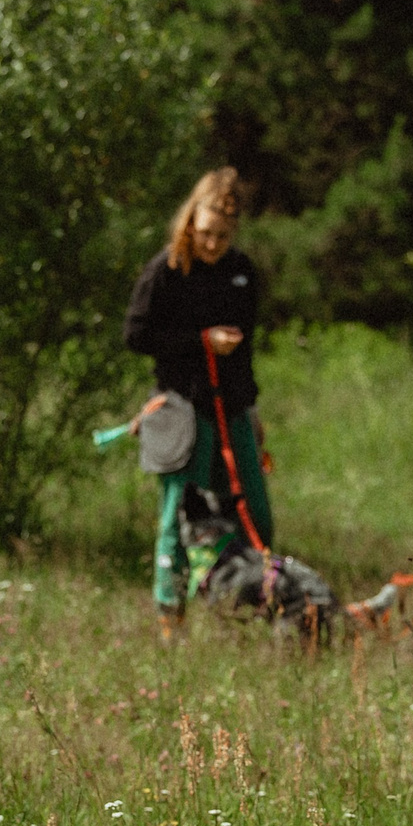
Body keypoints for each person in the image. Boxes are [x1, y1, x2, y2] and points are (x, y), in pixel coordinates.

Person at [125, 167, 271, 637]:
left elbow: (245, 352)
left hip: (232, 408)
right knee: (178, 517)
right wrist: (201, 341)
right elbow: (137, 336)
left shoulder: (241, 273)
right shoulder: (167, 270)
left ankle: (253, 601)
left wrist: (251, 409)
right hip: (181, 408)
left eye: (223, 236)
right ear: (190, 222)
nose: (213, 244)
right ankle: (172, 615)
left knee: (255, 513)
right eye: (206, 233)